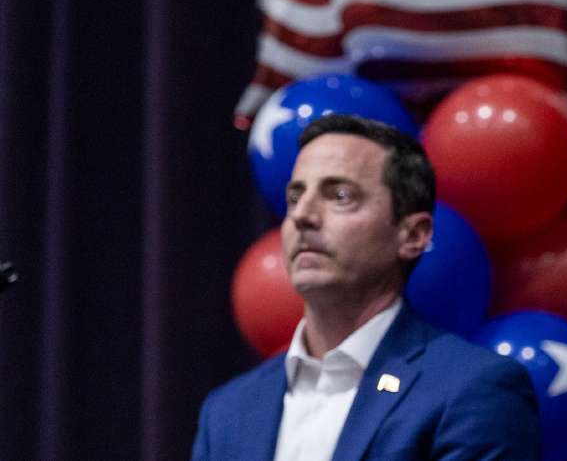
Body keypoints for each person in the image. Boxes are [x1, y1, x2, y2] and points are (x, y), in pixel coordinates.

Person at [192, 114, 539, 460]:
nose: (302, 216)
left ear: (413, 235)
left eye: (340, 196)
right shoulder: (227, 412)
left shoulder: (471, 391)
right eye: (295, 198)